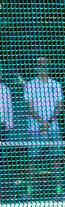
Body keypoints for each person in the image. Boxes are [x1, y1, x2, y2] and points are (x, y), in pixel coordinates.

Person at [24, 56, 65, 198]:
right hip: (35, 129)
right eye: (41, 66)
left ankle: (59, 191)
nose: (44, 68)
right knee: (32, 159)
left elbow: (59, 106)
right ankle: (29, 192)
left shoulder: (56, 84)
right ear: (36, 68)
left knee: (56, 159)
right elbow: (28, 106)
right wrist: (41, 122)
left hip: (53, 128)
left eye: (46, 66)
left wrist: (49, 122)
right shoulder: (30, 85)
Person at [0, 64, 13, 194]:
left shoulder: (5, 89)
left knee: (2, 158)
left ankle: (3, 188)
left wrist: (9, 125)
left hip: (2, 128)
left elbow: (9, 109)